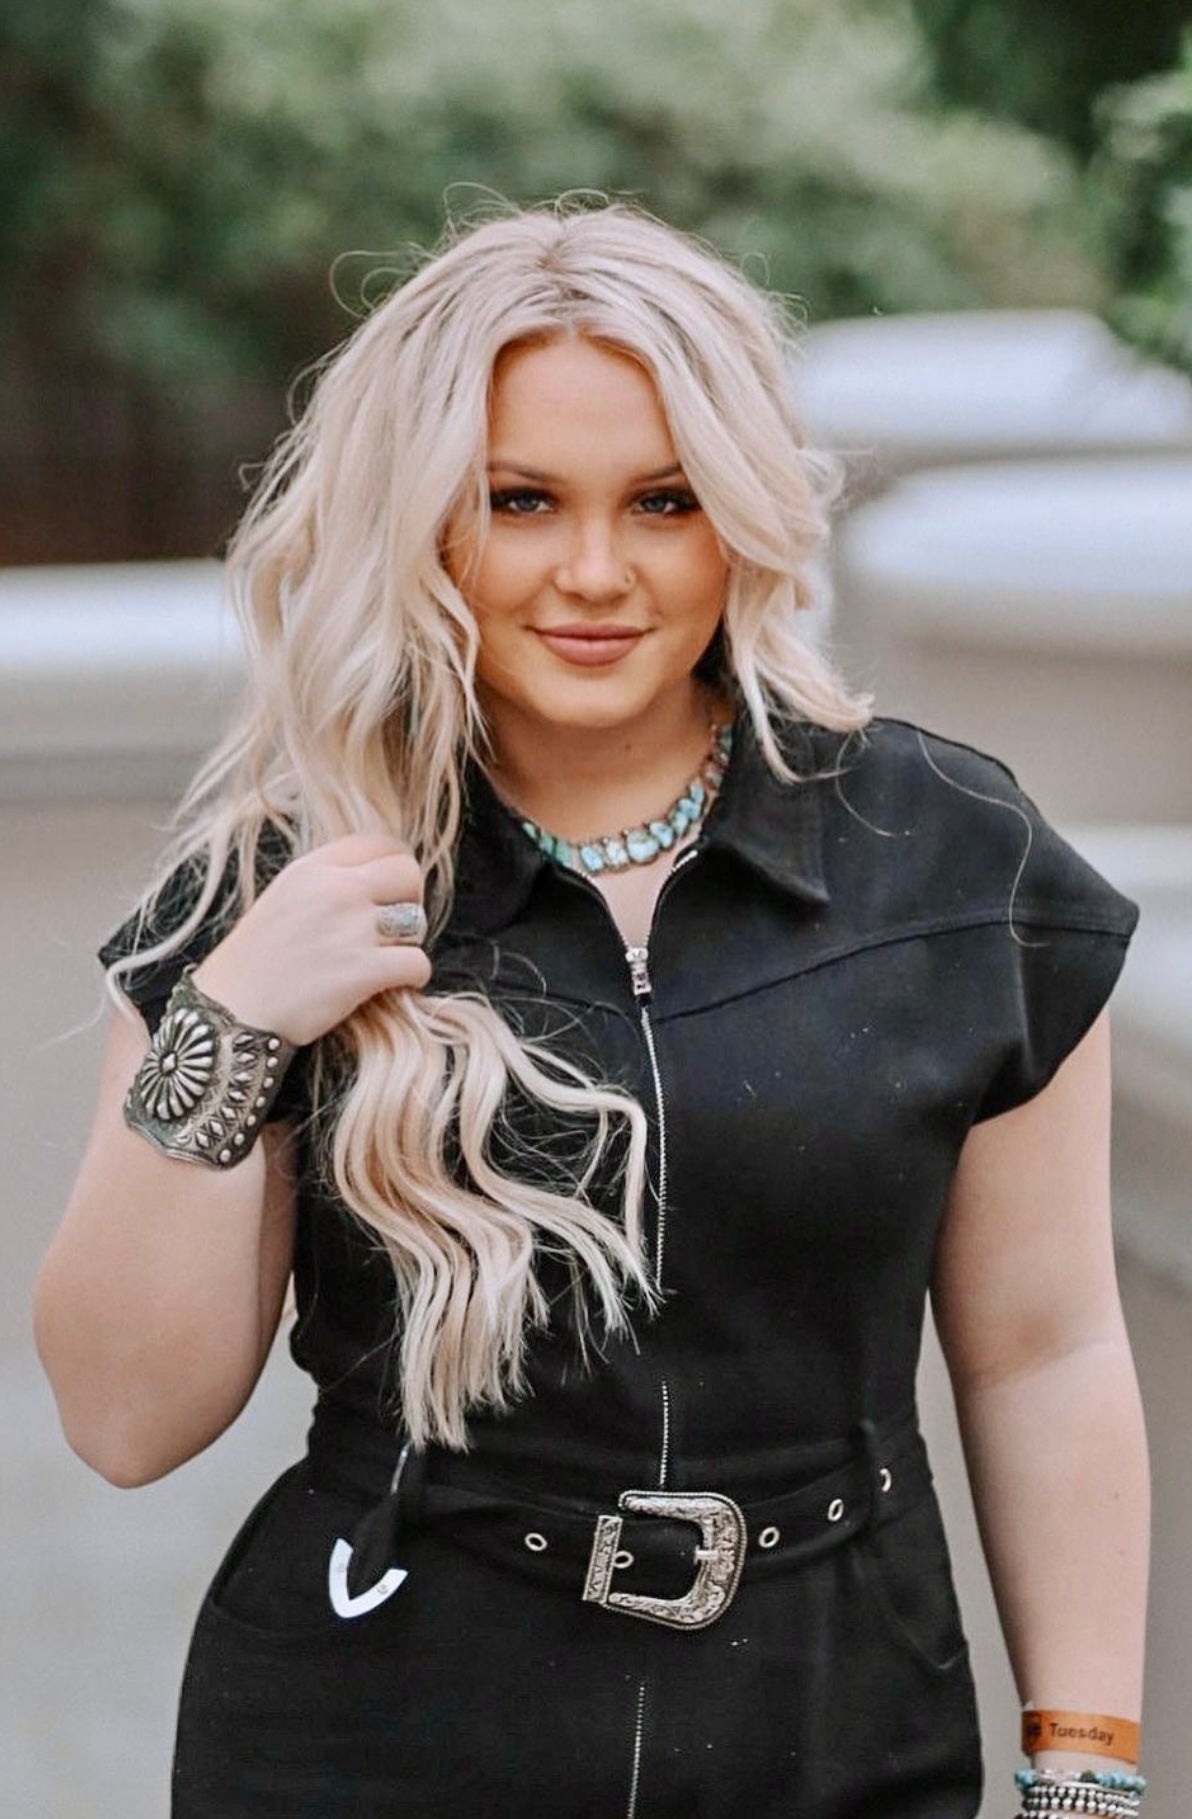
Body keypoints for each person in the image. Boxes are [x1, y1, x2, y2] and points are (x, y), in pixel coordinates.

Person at [34, 200, 1149, 1819]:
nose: (597, 572)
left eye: (664, 502)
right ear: (426, 523)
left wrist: (1087, 1771)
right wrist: (238, 1020)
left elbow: (1047, 1351)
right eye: (521, 502)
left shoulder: (954, 862)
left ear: (742, 519)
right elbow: (126, 1418)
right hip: (370, 1743)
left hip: (844, 1739)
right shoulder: (277, 892)